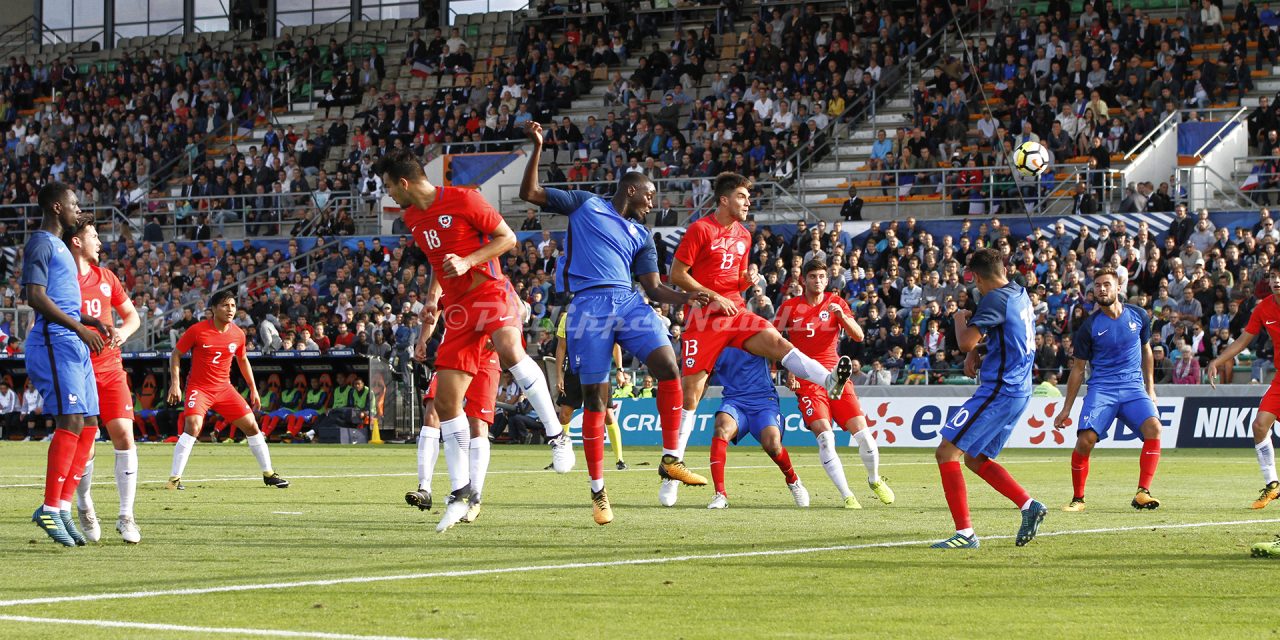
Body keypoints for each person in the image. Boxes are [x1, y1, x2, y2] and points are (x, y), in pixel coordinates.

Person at [520, 121, 708, 525]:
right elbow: (530, 193)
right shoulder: (585, 204)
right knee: (595, 400)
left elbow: (654, 288)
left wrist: (687, 297)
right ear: (631, 190)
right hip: (588, 306)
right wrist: (537, 147)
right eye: (650, 195)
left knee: (668, 366)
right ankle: (598, 491)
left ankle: (671, 459)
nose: (653, 203)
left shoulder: (642, 235)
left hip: (629, 300)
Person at [378, 147, 572, 532]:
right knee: (446, 403)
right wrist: (432, 300)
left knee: (510, 349)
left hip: (489, 292)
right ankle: (460, 492)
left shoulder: (464, 199)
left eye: (389, 187)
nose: (389, 195)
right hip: (458, 310)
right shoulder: (413, 217)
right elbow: (439, 263)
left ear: (403, 183)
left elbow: (507, 238)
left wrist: (468, 261)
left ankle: (557, 436)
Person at [666, 172, 854, 507]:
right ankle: (672, 472)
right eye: (742, 196)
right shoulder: (700, 229)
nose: (747, 202)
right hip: (704, 318)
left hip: (735, 311)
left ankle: (828, 380)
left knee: (777, 342)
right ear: (724, 200)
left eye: (748, 197)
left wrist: (746, 279)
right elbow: (677, 275)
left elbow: (736, 282)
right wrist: (713, 296)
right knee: (691, 395)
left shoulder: (743, 235)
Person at [932, 248, 1046, 549]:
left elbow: (964, 340)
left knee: (946, 453)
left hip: (1000, 389)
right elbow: (1011, 338)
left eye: (975, 283)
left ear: (978, 278)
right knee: (975, 457)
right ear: (1003, 270)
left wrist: (959, 318)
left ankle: (965, 534)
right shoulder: (1019, 292)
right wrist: (979, 352)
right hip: (1019, 389)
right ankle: (1029, 505)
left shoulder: (995, 298)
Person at [23, 181, 111, 547]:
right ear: (57, 207)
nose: (78, 207)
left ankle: (60, 507)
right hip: (54, 341)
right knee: (71, 420)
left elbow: (64, 300)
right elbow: (34, 296)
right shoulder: (41, 243)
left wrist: (90, 322)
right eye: (73, 203)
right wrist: (79, 327)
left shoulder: (59, 245)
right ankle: (49, 507)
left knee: (90, 424)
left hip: (74, 340)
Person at [773, 259, 894, 509]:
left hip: (837, 376)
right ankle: (847, 495)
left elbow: (858, 336)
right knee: (826, 439)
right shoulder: (789, 307)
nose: (817, 281)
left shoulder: (836, 302)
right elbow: (775, 341)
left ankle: (874, 479)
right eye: (813, 276)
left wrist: (842, 317)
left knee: (864, 436)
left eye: (821, 277)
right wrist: (788, 369)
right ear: (803, 280)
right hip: (807, 380)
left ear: (827, 280)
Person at [1053, 268, 1162, 512]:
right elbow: (1078, 369)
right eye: (1097, 285)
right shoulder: (1088, 326)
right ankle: (1078, 499)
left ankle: (1143, 492)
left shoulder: (1139, 316)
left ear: (1118, 288)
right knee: (1085, 441)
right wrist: (1066, 409)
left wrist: (1150, 388)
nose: (1102, 289)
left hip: (1133, 388)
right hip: (1102, 389)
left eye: (1107, 285)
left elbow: (1146, 350)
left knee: (1154, 428)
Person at [65, 220, 143, 544]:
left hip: (110, 368)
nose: (99, 242)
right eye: (94, 236)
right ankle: (85, 505)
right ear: (76, 241)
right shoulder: (62, 280)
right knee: (87, 441)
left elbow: (133, 317)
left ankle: (126, 517)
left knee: (124, 434)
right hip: (77, 368)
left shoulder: (107, 277)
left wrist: (122, 333)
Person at [165, 291, 290, 491]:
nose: (230, 309)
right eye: (225, 305)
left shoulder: (238, 334)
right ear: (213, 309)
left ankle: (269, 474)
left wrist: (253, 388)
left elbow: (242, 359)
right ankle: (174, 479)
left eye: (232, 305)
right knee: (193, 426)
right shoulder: (197, 330)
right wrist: (175, 384)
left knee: (252, 426)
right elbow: (176, 354)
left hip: (224, 389)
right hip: (200, 388)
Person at [1208, 262, 1280, 509]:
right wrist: (1217, 361)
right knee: (1259, 426)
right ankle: (1272, 485)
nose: (1277, 280)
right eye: (1273, 276)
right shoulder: (1263, 308)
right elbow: (1242, 341)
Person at [407, 342, 500, 524]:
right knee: (431, 413)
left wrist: (500, 337)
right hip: (453, 354)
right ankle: (424, 489)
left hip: (484, 358)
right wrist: (423, 339)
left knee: (478, 424)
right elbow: (433, 320)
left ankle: (473, 499)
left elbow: (515, 322)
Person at [706, 347, 809, 509]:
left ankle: (793, 480)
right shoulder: (714, 344)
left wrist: (791, 374)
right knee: (721, 428)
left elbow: (783, 349)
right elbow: (704, 377)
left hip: (764, 401)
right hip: (734, 401)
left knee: (773, 445)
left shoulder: (753, 336)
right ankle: (720, 494)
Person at [554, 310, 626, 471]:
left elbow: (615, 345)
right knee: (564, 413)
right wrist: (559, 375)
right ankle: (562, 455)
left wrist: (619, 369)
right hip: (574, 370)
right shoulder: (567, 317)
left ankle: (620, 459)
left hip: (599, 370)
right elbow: (561, 347)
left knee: (608, 414)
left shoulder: (604, 315)